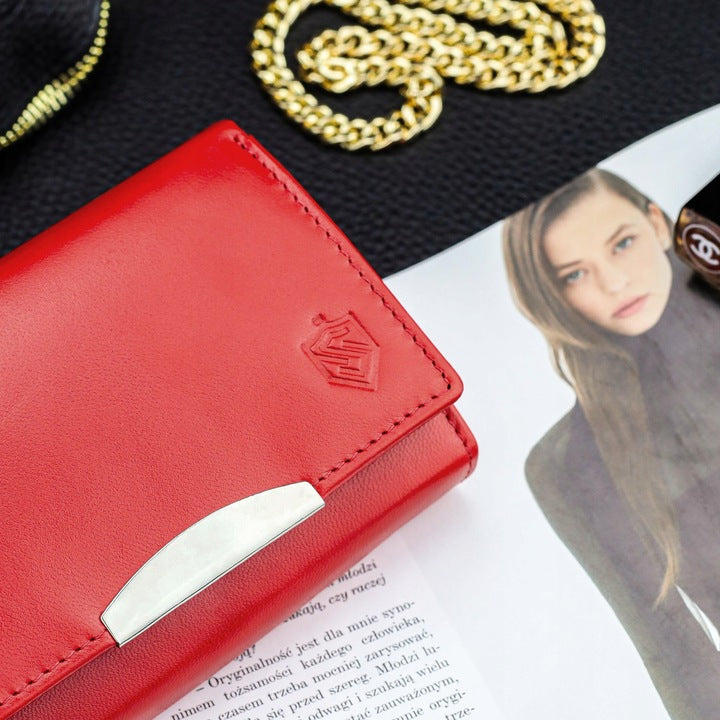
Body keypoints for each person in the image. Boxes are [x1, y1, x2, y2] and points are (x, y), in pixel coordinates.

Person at [503, 168, 720, 720]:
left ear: (656, 224)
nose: (616, 284)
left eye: (622, 244)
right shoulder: (569, 465)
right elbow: (680, 660)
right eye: (575, 275)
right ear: (549, 297)